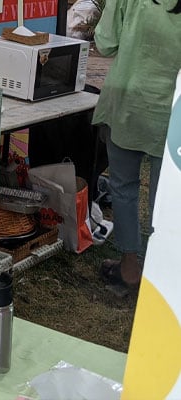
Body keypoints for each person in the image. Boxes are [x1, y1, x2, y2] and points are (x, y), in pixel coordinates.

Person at [93, 0, 181, 290]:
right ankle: (162, 271)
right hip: (173, 111)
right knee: (166, 197)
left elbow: (105, 42)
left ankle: (130, 266)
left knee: (122, 186)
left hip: (128, 98)